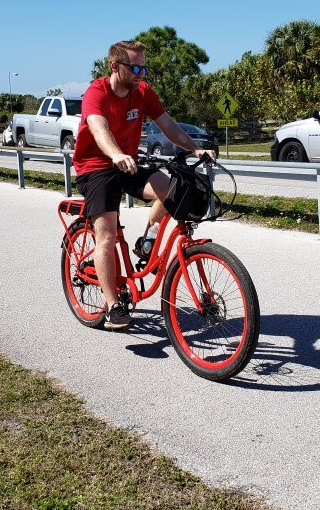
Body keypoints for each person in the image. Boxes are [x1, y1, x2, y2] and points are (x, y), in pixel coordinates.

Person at [72, 40, 217, 330]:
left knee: (174, 187)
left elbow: (168, 125)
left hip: (129, 162)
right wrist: (115, 154)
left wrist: (195, 150)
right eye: (135, 67)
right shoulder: (96, 92)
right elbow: (99, 129)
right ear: (115, 66)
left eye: (144, 67)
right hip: (96, 167)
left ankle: (147, 240)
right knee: (107, 236)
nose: (141, 73)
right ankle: (113, 307)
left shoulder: (142, 92)